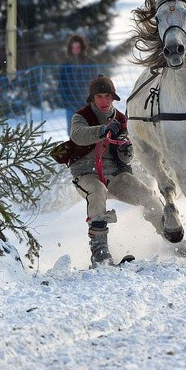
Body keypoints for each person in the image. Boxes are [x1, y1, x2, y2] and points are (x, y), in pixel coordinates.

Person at [66, 75, 167, 267]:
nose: (104, 101)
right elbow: (78, 136)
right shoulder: (82, 117)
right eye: (99, 97)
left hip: (116, 176)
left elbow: (127, 158)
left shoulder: (121, 119)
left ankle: (171, 238)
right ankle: (99, 253)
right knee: (97, 192)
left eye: (107, 96)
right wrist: (102, 131)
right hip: (86, 174)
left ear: (113, 98)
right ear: (92, 99)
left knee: (148, 196)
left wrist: (126, 150)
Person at [58, 34, 97, 135]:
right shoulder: (65, 66)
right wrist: (65, 101)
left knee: (89, 132)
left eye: (78, 47)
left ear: (82, 47)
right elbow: (62, 86)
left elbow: (95, 82)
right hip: (70, 104)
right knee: (72, 133)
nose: (75, 50)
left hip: (87, 104)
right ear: (70, 48)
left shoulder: (90, 63)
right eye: (73, 47)